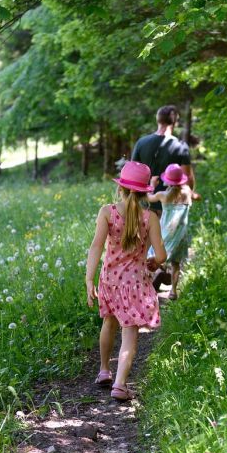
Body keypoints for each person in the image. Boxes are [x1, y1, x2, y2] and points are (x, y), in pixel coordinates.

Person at [85, 161, 167, 402]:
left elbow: (96, 247)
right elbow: (161, 255)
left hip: (109, 280)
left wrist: (90, 279)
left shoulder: (107, 212)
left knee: (108, 324)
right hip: (136, 284)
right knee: (129, 335)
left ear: (120, 188)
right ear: (144, 192)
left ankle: (103, 370)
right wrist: (154, 262)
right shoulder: (149, 217)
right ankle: (120, 385)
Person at [147, 164, 200, 300]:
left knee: (151, 256)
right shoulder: (187, 192)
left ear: (167, 180)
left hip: (164, 234)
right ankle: (173, 291)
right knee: (176, 264)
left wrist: (152, 184)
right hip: (180, 235)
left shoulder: (162, 195)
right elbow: (196, 196)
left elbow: (148, 198)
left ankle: (148, 286)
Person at [131, 105, 196, 216]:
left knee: (145, 233)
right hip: (170, 205)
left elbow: (132, 173)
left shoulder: (141, 142)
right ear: (175, 121)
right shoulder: (180, 146)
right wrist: (188, 196)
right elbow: (188, 179)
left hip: (144, 203)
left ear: (158, 119)